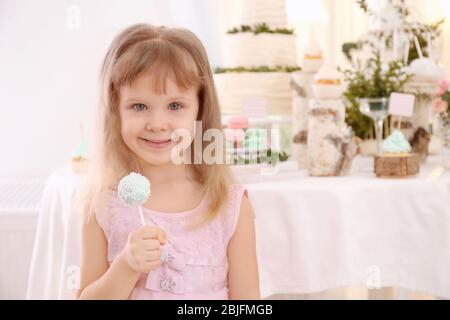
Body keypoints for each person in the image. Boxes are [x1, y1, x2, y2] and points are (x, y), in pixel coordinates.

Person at [75, 23, 260, 300]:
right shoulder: (102, 204)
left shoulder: (229, 205)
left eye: (175, 106)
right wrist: (126, 266)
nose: (158, 124)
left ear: (200, 109)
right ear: (116, 110)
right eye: (139, 106)